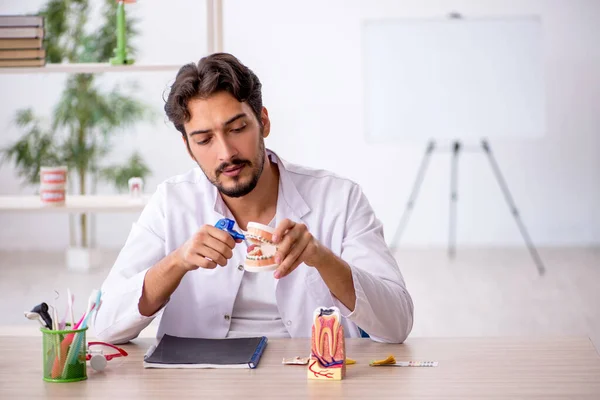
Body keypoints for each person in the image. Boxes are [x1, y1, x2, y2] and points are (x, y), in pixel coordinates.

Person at [93, 53, 414, 344]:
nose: (226, 153)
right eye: (204, 139)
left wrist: (322, 258)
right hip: (200, 381)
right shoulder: (172, 203)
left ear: (263, 121)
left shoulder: (340, 198)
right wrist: (177, 262)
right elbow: (103, 326)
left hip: (310, 378)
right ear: (188, 147)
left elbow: (397, 324)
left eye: (237, 128)